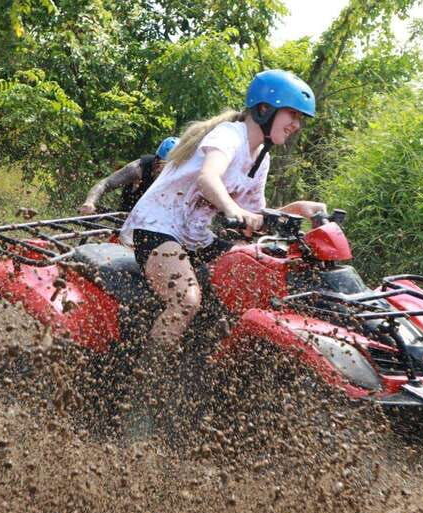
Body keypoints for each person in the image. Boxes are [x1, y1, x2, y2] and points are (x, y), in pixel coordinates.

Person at [120, 69, 327, 350]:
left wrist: (297, 209)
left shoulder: (260, 158)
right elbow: (208, 178)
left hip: (195, 237)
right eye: (292, 113)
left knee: (251, 276)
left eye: (300, 118)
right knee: (186, 300)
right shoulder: (230, 135)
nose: (297, 124)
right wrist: (231, 208)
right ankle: (149, 379)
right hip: (158, 228)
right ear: (265, 109)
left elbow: (256, 217)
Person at [78, 136, 179, 214]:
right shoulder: (137, 169)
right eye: (167, 167)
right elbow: (105, 183)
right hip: (128, 216)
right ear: (157, 162)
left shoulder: (179, 175)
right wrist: (90, 202)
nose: (170, 173)